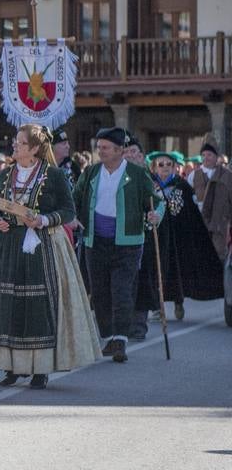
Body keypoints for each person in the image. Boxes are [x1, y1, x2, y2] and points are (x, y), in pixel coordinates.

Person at [0, 125, 100, 389]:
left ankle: (40, 369)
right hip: (8, 245)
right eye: (15, 142)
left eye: (20, 143)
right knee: (8, 304)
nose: (14, 146)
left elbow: (68, 211)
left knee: (38, 306)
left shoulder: (53, 175)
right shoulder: (7, 174)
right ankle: (11, 366)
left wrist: (44, 219)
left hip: (42, 246)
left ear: (34, 148)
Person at [74, 127, 163, 363]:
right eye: (99, 147)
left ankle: (121, 339)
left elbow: (157, 202)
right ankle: (108, 337)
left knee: (122, 290)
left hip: (128, 243)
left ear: (119, 150)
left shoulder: (136, 174)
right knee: (100, 292)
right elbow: (75, 198)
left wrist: (156, 215)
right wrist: (72, 217)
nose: (100, 151)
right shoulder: (91, 172)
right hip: (96, 241)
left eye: (105, 147)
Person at [136, 151, 225, 327]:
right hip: (156, 236)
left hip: (178, 238)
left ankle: (178, 300)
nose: (165, 168)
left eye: (169, 165)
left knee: (177, 270)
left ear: (175, 167)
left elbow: (191, 213)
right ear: (154, 167)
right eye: (161, 165)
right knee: (155, 269)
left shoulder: (182, 186)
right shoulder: (149, 186)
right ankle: (157, 307)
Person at [191, 142, 232, 263]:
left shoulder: (227, 176)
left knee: (219, 260)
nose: (206, 158)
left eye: (209, 154)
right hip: (199, 225)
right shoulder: (194, 175)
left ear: (216, 157)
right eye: (203, 155)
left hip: (220, 226)